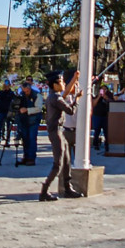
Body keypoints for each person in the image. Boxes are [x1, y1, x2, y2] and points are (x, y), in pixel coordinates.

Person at [40, 70, 84, 201]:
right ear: (54, 85)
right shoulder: (56, 98)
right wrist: (77, 99)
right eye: (61, 82)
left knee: (66, 161)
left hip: (60, 132)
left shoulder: (54, 96)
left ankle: (67, 187)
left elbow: (65, 97)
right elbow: (70, 111)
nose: (63, 83)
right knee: (58, 164)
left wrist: (75, 79)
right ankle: (44, 190)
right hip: (56, 133)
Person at [16, 80, 43, 166]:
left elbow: (38, 108)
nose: (26, 93)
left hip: (33, 120)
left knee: (31, 139)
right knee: (25, 139)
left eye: (27, 91)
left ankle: (31, 158)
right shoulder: (22, 95)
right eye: (24, 91)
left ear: (29, 88)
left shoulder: (37, 95)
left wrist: (27, 110)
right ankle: (26, 157)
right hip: (24, 120)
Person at [91, 83, 113, 150]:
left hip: (105, 116)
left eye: (105, 89)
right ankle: (96, 144)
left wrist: (105, 97)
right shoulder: (96, 96)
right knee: (97, 130)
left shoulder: (109, 95)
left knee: (106, 131)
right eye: (102, 89)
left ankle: (107, 145)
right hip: (97, 115)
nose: (103, 90)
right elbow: (93, 104)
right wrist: (99, 97)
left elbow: (111, 102)